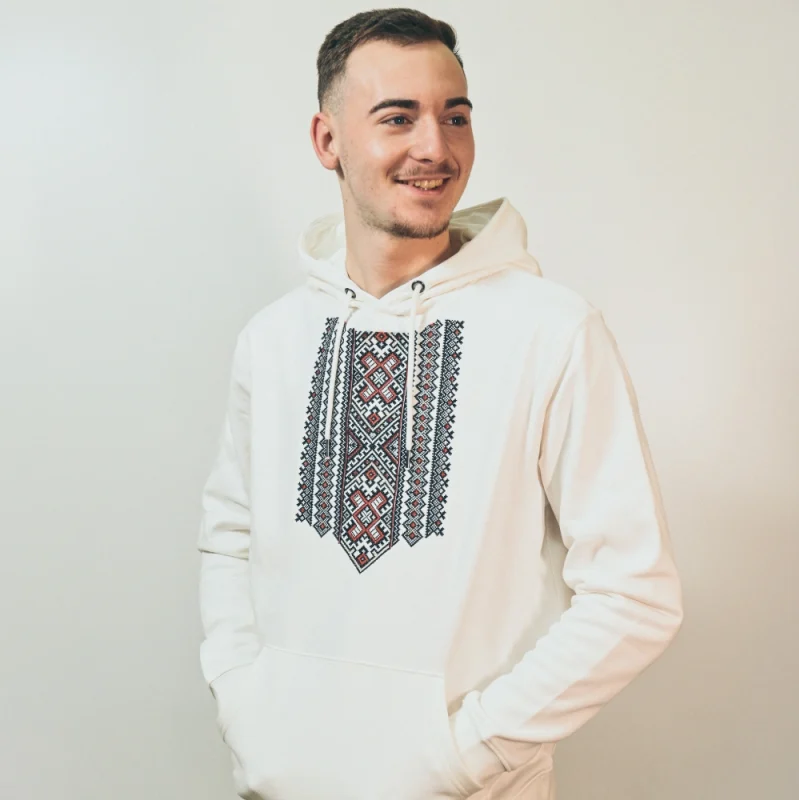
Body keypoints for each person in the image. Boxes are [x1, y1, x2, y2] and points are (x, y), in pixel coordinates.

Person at [196, 8, 684, 800]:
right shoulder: (273, 339)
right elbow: (227, 539)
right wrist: (245, 710)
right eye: (399, 118)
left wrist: (469, 751)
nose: (436, 147)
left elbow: (636, 592)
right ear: (327, 140)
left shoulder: (553, 332)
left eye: (455, 116)